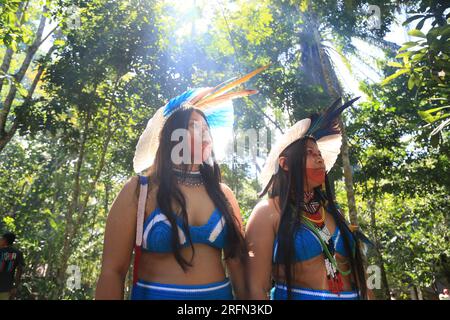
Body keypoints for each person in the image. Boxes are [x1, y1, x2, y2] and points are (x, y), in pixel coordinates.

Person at [96, 66, 268, 300]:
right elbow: (112, 272)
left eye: (206, 129)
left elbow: (238, 266)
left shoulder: (223, 194)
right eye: (193, 128)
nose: (205, 134)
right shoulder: (140, 189)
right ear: (172, 137)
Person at [245, 97, 373, 300]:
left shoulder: (334, 212)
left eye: (319, 153)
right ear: (285, 164)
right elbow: (255, 290)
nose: (319, 158)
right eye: (309, 153)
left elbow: (362, 277)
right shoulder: (267, 213)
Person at [0, 232, 25, 300]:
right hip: (6, 288)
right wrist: (15, 287)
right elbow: (19, 270)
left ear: (4, 240)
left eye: (1, 239)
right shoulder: (18, 253)